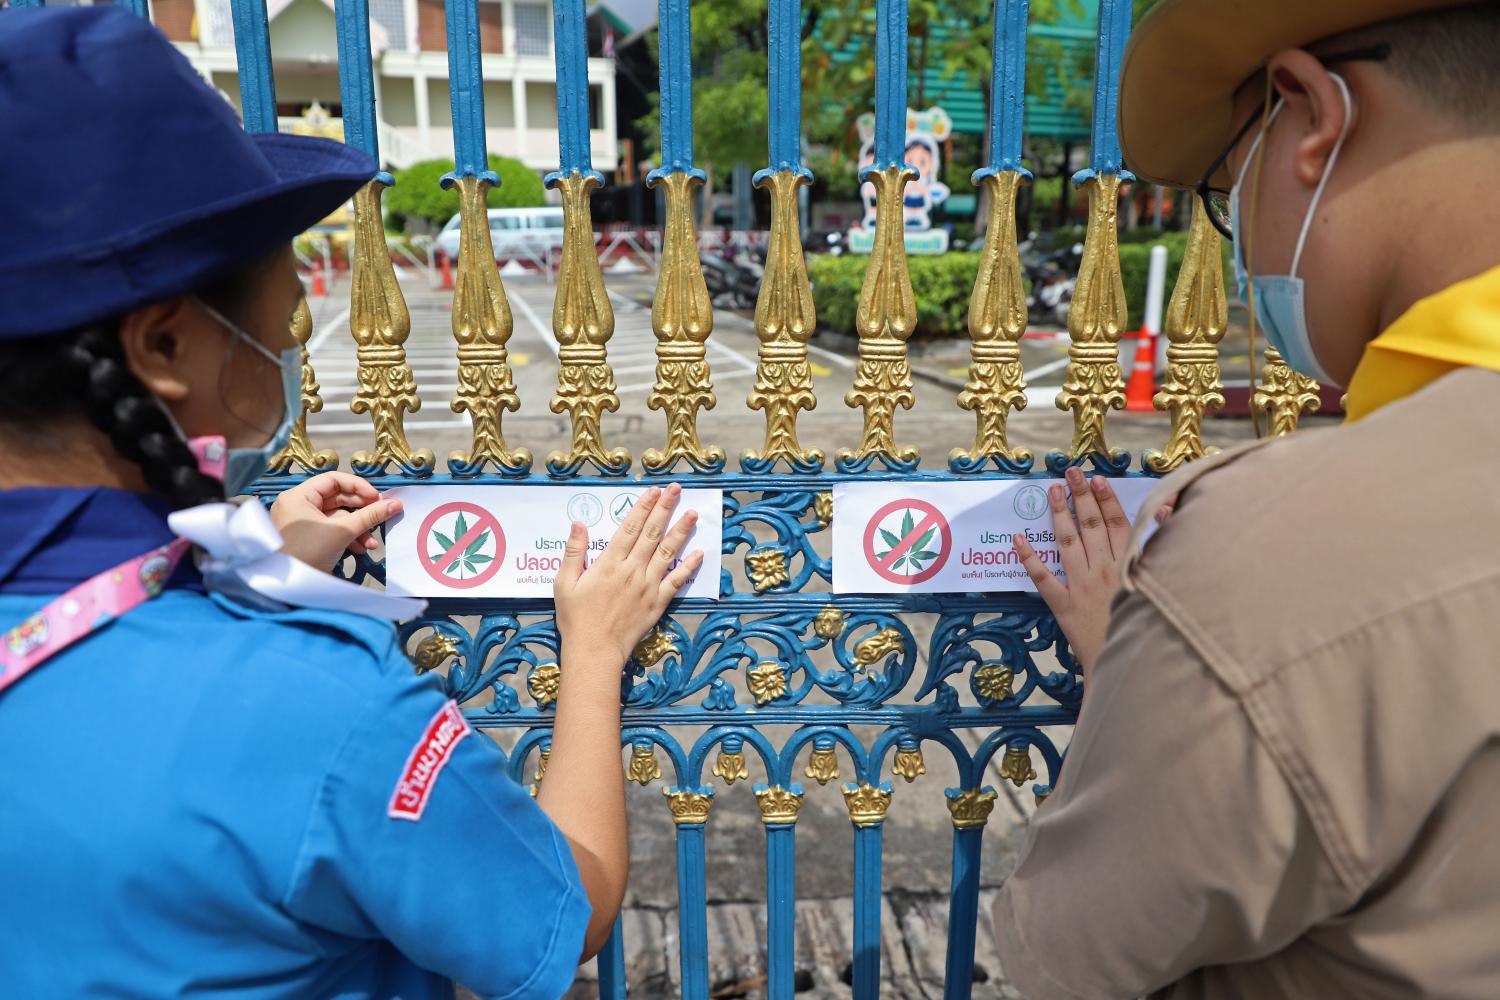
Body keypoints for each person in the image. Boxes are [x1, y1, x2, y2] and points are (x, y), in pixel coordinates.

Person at [0, 8, 701, 997]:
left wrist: (242, 565)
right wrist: (592, 655)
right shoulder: (320, 711)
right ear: (162, 348)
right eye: (285, 317)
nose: (289, 345)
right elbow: (567, 906)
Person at [993, 1, 1500, 997]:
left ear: (1312, 115)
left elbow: (1068, 958)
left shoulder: (1276, 560)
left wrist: (1147, 664)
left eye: (1229, 194)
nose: (1244, 244)